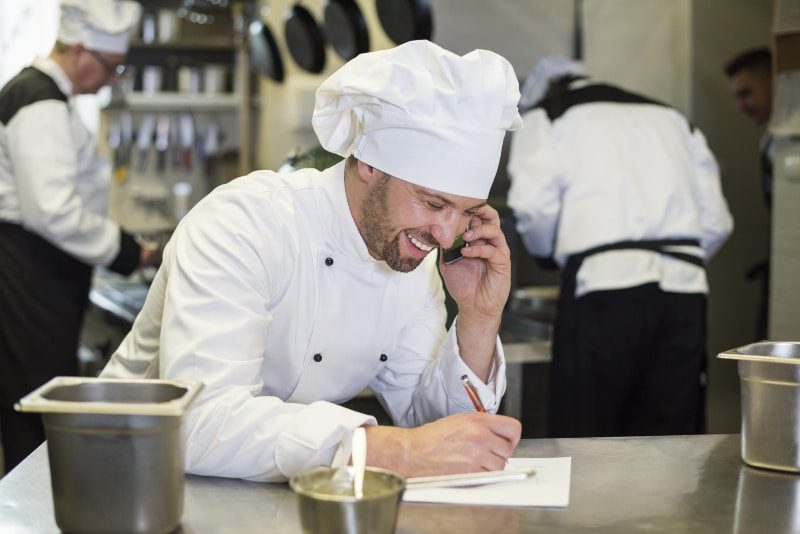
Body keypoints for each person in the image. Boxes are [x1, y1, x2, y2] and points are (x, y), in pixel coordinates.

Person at [101, 40, 524, 482]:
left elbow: (431, 433)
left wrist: (479, 316)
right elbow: (200, 422)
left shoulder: (409, 264)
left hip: (251, 494)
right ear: (369, 164)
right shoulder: (245, 224)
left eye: (467, 211)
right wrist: (394, 451)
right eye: (433, 203)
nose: (446, 236)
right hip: (123, 473)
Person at [507, 56, 733, 438]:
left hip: (602, 292)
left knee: (588, 436)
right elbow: (717, 221)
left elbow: (532, 207)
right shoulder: (673, 118)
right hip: (684, 292)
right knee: (673, 440)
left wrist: (546, 254)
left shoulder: (548, 115)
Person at [0, 0, 154, 473]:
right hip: (30, 271)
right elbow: (52, 209)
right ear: (81, 50)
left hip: (34, 268)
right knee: (36, 411)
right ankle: (36, 506)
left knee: (30, 402)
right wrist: (129, 250)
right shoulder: (40, 101)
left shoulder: (40, 95)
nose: (110, 80)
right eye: (110, 67)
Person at [725, 47, 773, 340]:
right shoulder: (771, 140)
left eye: (746, 93)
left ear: (772, 82)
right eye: (736, 97)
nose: (741, 105)